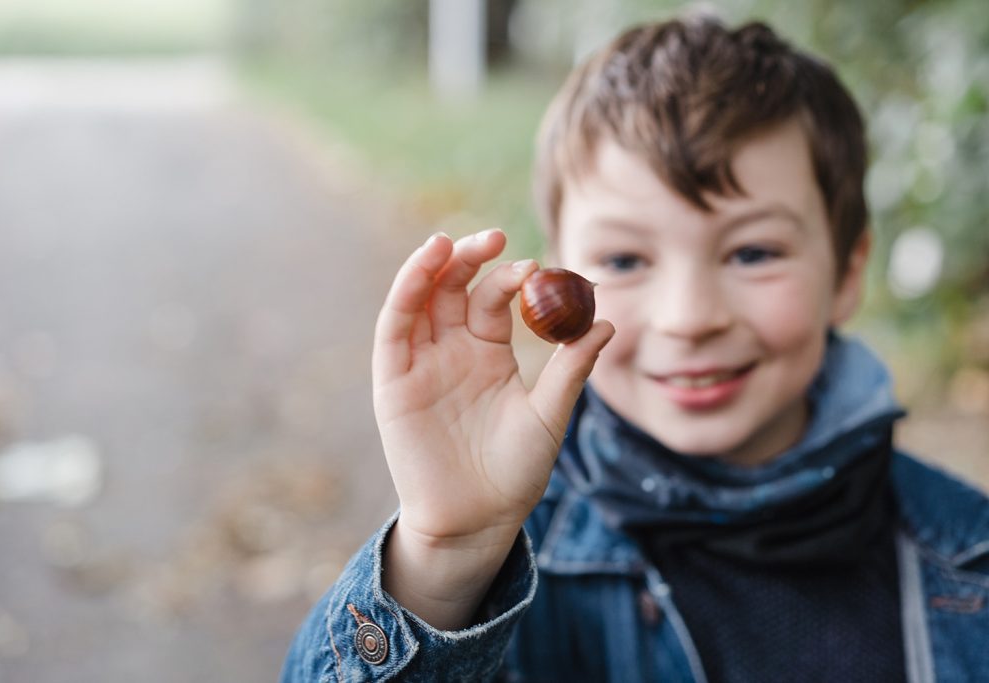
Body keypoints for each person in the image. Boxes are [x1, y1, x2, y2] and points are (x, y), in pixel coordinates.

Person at [281, 14, 989, 683]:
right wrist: (445, 554)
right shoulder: (497, 558)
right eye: (623, 260)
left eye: (752, 251)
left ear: (848, 271)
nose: (689, 319)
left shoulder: (971, 553)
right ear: (559, 267)